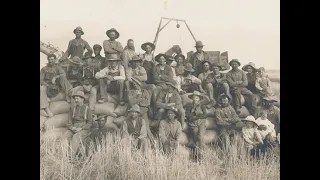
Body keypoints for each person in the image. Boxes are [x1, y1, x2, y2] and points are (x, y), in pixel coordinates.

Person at [63, 91, 93, 160]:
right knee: (65, 136)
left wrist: (81, 128)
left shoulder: (87, 109)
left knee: (76, 137)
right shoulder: (72, 109)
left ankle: (70, 157)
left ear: (82, 99)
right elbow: (69, 122)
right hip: (74, 127)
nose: (76, 100)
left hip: (84, 129)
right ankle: (63, 154)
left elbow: (90, 123)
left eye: (77, 99)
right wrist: (72, 127)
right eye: (75, 99)